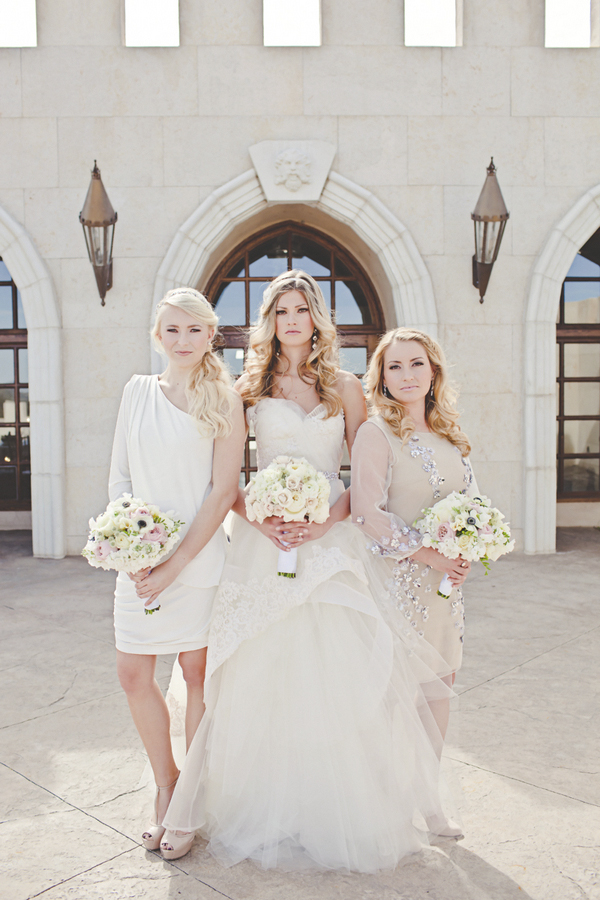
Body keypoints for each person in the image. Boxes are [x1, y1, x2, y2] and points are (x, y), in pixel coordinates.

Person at [160, 271, 456, 870]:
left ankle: (340, 803)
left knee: (335, 673)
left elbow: (360, 473)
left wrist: (324, 524)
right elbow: (227, 480)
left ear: (317, 319)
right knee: (255, 669)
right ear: (268, 321)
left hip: (330, 544)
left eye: (302, 309)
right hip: (261, 543)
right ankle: (246, 800)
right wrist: (262, 517)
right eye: (281, 310)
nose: (292, 320)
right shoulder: (246, 387)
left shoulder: (346, 387)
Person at [108, 287, 245, 851]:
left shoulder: (224, 397)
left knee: (195, 677)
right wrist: (132, 547)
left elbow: (222, 491)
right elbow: (119, 476)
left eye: (194, 330)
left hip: (200, 559)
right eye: (172, 330)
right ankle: (165, 784)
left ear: (210, 335)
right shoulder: (136, 393)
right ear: (156, 336)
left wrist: (177, 561)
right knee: (133, 675)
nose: (183, 340)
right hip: (141, 562)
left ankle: (188, 802)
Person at [351, 327, 477, 743]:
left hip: (445, 590)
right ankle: (394, 803)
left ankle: (431, 803)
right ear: (382, 378)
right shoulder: (375, 433)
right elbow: (367, 514)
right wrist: (431, 556)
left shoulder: (450, 435)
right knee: (399, 694)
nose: (407, 374)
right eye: (395, 366)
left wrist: (469, 552)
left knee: (441, 684)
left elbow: (473, 507)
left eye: (416, 363)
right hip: (399, 588)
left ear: (433, 371)